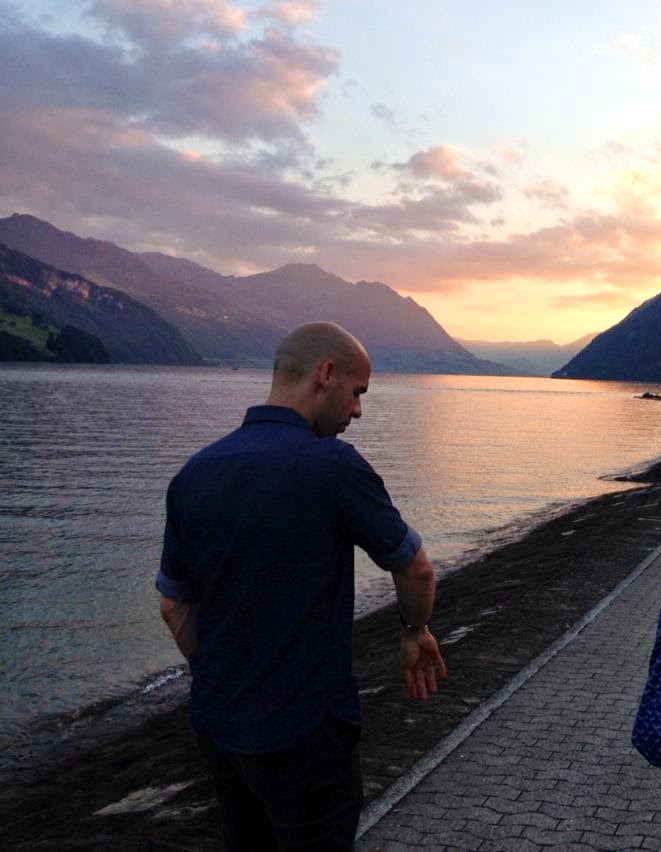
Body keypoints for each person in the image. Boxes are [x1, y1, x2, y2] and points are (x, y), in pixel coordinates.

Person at [156, 321, 447, 851]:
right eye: (357, 393)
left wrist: (224, 675)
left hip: (220, 729)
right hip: (304, 733)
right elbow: (417, 570)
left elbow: (174, 606)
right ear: (325, 374)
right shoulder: (332, 465)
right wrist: (415, 630)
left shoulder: (194, 474)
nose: (358, 410)